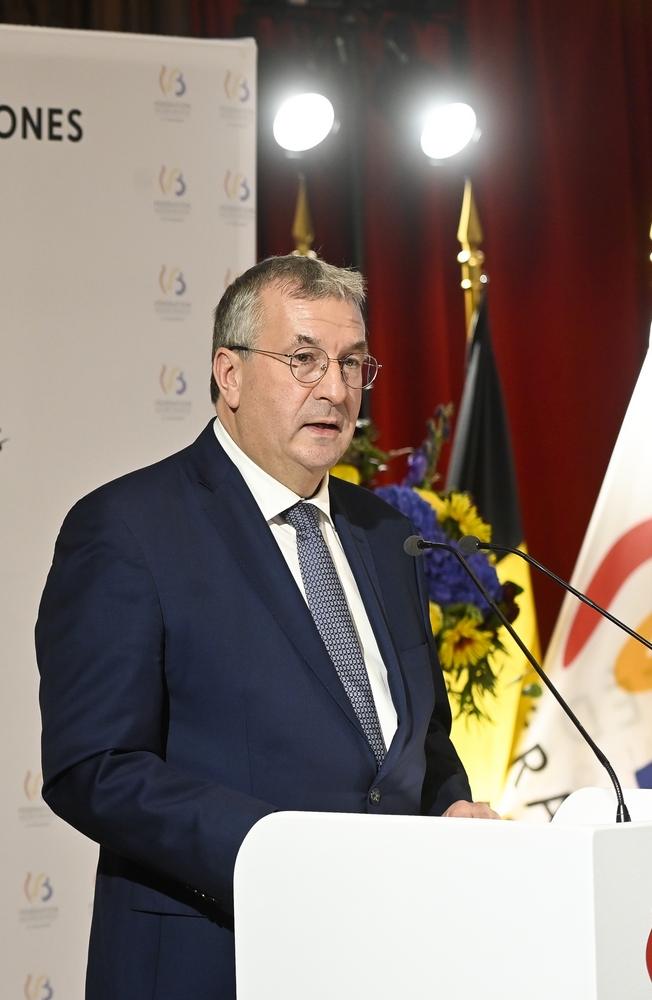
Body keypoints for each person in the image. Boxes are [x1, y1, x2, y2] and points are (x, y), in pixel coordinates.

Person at [35, 255, 498, 1000]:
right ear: (230, 373)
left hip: (383, 952)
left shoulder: (387, 534)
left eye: (352, 364)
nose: (335, 389)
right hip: (213, 954)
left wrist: (448, 804)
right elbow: (94, 766)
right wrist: (273, 853)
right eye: (304, 359)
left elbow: (422, 737)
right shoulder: (128, 528)